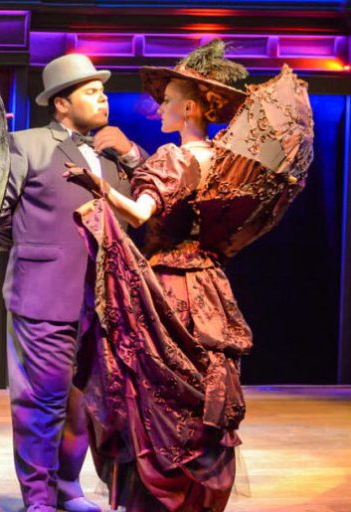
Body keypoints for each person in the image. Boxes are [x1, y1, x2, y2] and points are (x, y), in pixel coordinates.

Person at [64, 40, 259, 511]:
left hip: (169, 285)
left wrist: (98, 188)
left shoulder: (173, 158)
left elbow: (138, 214)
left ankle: (158, 493)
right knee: (202, 386)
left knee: (154, 388)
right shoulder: (226, 161)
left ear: (190, 107)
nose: (160, 108)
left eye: (168, 100)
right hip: (209, 286)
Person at [0, 53, 148, 512]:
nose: (103, 98)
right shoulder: (28, 144)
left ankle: (66, 486)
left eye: (103, 90)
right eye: (91, 91)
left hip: (106, 299)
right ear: (61, 103)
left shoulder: (112, 152)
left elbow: (148, 201)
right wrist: (40, 251)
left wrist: (131, 154)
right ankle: (38, 499)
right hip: (45, 293)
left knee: (86, 403)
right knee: (42, 403)